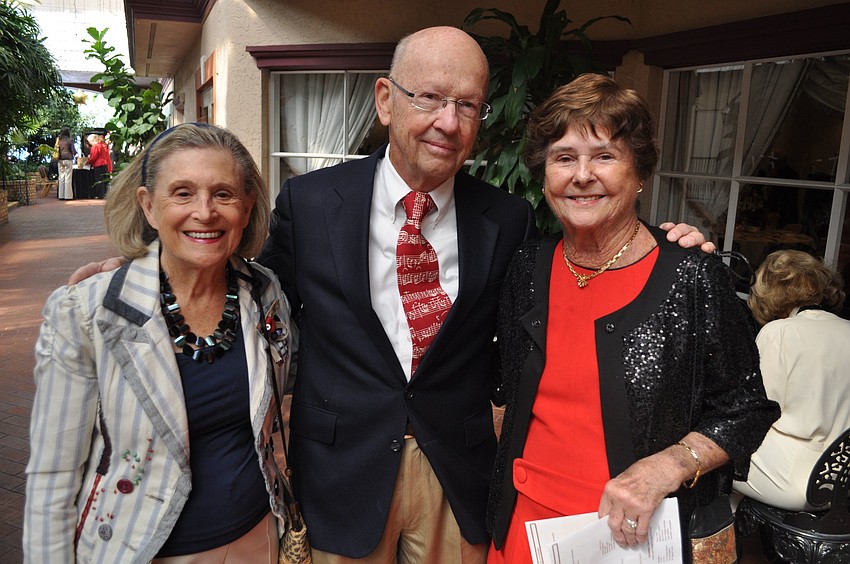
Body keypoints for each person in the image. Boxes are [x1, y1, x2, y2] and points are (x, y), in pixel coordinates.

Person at [68, 27, 712, 563]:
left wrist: (665, 241)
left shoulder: (507, 219)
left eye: (468, 105)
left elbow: (584, 260)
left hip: (456, 476)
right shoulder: (313, 203)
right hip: (341, 472)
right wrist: (153, 272)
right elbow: (242, 290)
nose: (447, 122)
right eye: (430, 98)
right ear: (385, 100)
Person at [486, 74, 780, 563]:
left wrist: (668, 466)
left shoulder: (691, 276)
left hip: (633, 537)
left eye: (604, 155)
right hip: (524, 526)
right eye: (564, 157)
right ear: (544, 175)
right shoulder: (527, 269)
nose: (582, 175)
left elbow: (746, 409)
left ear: (639, 171)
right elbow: (503, 388)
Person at [24, 123, 295, 563]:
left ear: (246, 209)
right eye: (182, 193)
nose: (205, 212)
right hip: (141, 548)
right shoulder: (87, 312)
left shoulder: (264, 291)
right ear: (148, 206)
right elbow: (52, 477)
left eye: (223, 194)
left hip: (258, 537)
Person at [733, 249, 850, 511]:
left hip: (795, 480)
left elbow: (758, 411)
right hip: (841, 478)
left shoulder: (781, 333)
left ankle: (714, 537)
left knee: (714, 450)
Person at [87, 133, 113, 198]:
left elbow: (93, 157)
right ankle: (105, 194)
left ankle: (100, 194)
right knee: (104, 180)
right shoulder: (103, 145)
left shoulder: (95, 146)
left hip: (98, 165)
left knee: (99, 180)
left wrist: (88, 162)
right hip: (105, 164)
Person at [56, 127, 76, 200]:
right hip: (68, 159)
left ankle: (61, 195)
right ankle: (68, 196)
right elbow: (73, 150)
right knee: (68, 177)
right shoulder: (70, 140)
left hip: (60, 160)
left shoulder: (59, 140)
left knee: (61, 178)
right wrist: (76, 155)